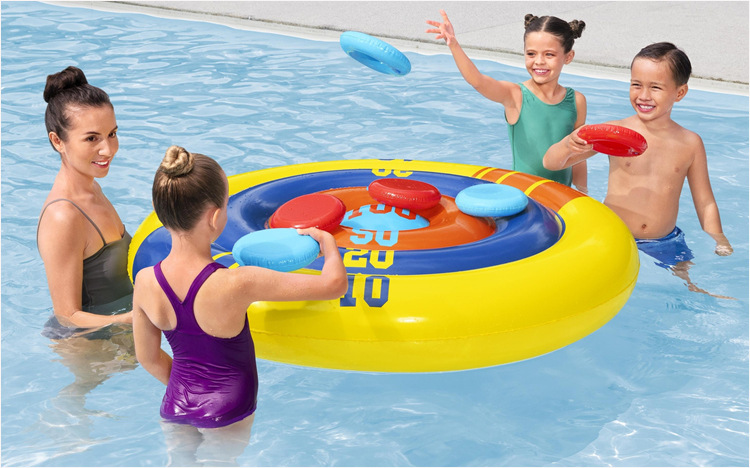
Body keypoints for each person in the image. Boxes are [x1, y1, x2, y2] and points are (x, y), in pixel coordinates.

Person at [132, 145, 348, 463]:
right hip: (227, 409)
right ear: (215, 217)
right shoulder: (238, 282)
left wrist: (190, 390)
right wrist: (327, 243)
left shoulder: (145, 282)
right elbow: (333, 286)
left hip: (175, 405)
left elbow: (148, 358)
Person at [543, 42, 733, 295]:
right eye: (636, 84)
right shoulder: (615, 133)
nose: (643, 95)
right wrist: (568, 144)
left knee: (688, 290)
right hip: (615, 234)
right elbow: (551, 163)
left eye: (655, 87)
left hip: (664, 240)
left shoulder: (690, 143)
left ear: (680, 92)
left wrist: (719, 238)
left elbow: (705, 201)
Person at [426, 10, 588, 191]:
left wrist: (583, 192)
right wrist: (454, 44)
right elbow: (478, 82)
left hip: (562, 198)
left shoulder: (576, 101)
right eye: (531, 54)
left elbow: (578, 155)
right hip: (524, 196)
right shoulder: (515, 95)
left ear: (568, 57)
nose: (539, 61)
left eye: (549, 55)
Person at [37, 65, 133, 338]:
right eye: (92, 138)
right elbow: (67, 317)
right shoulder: (63, 216)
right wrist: (137, 318)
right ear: (57, 141)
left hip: (121, 335)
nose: (108, 149)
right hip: (90, 348)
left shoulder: (92, 188)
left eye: (112, 134)